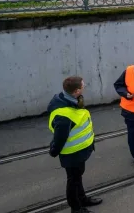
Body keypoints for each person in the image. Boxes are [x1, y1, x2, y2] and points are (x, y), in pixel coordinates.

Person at [48, 76, 102, 213]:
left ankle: (82, 199)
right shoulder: (64, 115)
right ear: (77, 91)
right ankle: (76, 208)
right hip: (72, 154)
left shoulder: (69, 99)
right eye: (83, 86)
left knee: (77, 177)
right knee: (73, 180)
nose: (84, 87)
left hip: (79, 152)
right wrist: (54, 150)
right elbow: (60, 138)